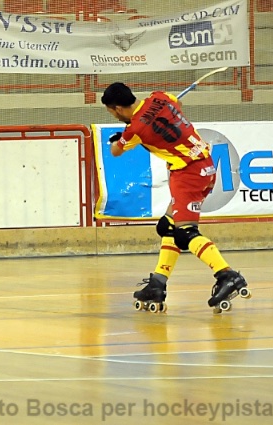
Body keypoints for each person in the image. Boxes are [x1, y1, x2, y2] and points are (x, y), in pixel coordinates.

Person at [101, 82, 250, 313]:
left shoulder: (134, 130)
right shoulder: (159, 97)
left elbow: (116, 151)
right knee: (167, 227)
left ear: (118, 109)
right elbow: (176, 103)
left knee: (184, 233)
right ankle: (157, 283)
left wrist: (121, 137)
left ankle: (227, 275)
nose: (114, 115)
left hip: (188, 173)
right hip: (204, 165)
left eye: (112, 112)